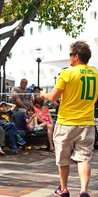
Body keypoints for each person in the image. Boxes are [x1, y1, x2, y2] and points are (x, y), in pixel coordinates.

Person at [40, 41, 97, 197]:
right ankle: (84, 190)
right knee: (83, 158)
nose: (69, 58)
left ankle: (64, 189)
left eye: (70, 55)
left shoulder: (67, 72)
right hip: (86, 123)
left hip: (66, 122)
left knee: (63, 159)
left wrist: (43, 95)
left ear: (76, 56)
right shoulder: (95, 73)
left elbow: (53, 97)